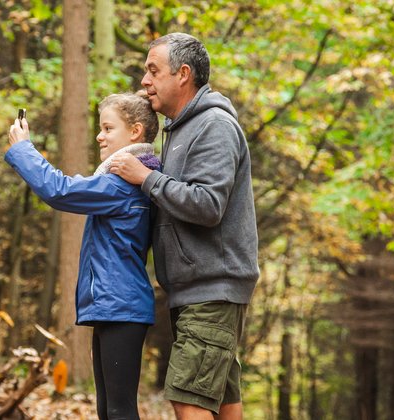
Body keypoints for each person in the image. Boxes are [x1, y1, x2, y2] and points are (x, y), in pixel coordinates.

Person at [109, 33, 260, 420]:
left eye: (153, 70)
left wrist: (145, 178)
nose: (144, 80)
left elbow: (208, 205)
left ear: (183, 74)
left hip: (212, 287)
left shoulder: (213, 126)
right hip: (198, 287)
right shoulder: (180, 128)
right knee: (223, 400)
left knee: (187, 398)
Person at [5, 92, 162, 420]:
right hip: (113, 307)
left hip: (123, 308)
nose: (99, 135)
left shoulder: (122, 186)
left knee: (119, 411)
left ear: (135, 132)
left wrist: (23, 149)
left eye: (107, 128)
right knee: (108, 410)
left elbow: (60, 190)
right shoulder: (123, 181)